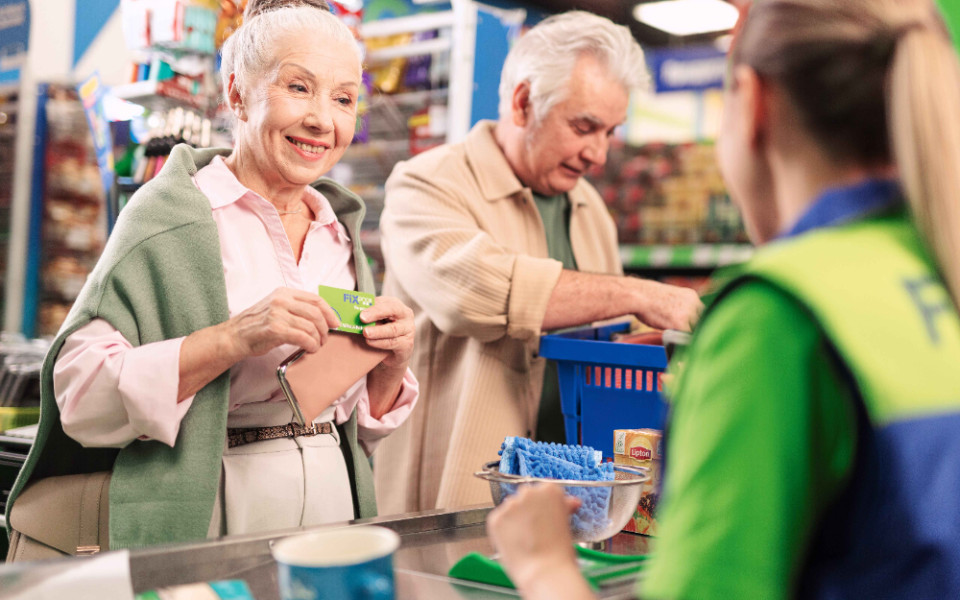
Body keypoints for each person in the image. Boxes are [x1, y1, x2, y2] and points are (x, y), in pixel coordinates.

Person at [486, 0, 960, 598]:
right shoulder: (934, 271)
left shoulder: (777, 318)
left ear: (752, 101)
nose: (600, 152)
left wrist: (543, 564)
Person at [6, 1, 419, 554]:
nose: (324, 119)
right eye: (299, 87)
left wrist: (388, 367)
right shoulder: (170, 216)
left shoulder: (338, 229)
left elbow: (356, 428)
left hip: (334, 507)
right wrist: (230, 339)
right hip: (207, 504)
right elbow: (80, 396)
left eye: (344, 98)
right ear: (237, 94)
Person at [373, 11, 703, 515]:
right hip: (452, 503)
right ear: (523, 102)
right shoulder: (427, 184)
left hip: (576, 500)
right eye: (584, 126)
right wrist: (640, 293)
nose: (598, 154)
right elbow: (476, 295)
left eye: (610, 132)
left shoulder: (591, 210)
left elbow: (611, 337)